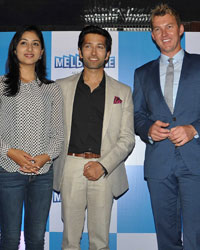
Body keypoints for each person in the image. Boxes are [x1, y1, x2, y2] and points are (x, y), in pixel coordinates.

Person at [53, 25, 135, 250]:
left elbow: (128, 138)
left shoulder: (123, 91)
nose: (93, 52)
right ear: (79, 52)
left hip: (105, 169)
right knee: (70, 241)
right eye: (88, 46)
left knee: (100, 242)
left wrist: (103, 166)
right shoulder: (60, 88)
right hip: (69, 166)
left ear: (108, 54)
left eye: (100, 47)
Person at [133, 3, 200, 250]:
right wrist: (148, 129)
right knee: (166, 239)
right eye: (157, 29)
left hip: (195, 160)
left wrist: (193, 129)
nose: (164, 34)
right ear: (152, 35)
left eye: (169, 27)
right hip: (159, 164)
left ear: (181, 29)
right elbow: (137, 116)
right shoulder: (142, 73)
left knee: (197, 236)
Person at [0, 25, 64, 249]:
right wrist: (11, 152)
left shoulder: (52, 89)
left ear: (42, 52)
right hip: (8, 171)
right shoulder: (0, 85)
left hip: (42, 174)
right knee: (9, 239)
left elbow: (58, 134)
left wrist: (44, 157)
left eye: (35, 43)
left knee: (36, 239)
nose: (30, 48)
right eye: (23, 43)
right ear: (14, 50)